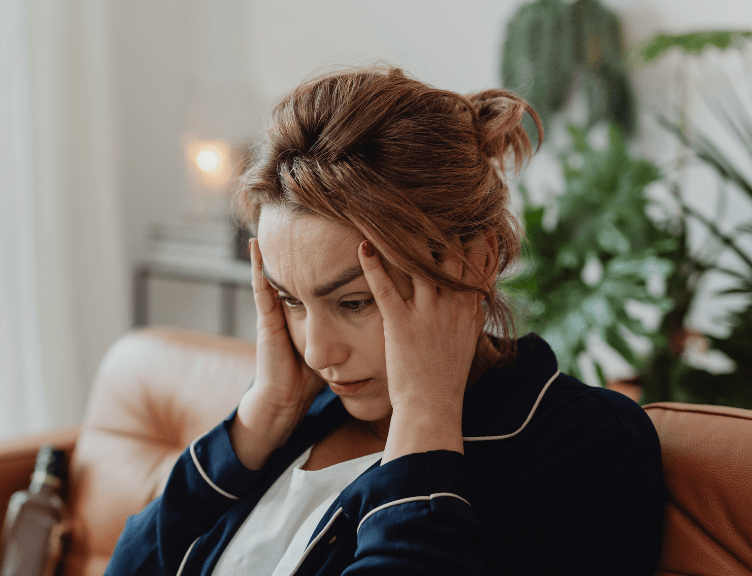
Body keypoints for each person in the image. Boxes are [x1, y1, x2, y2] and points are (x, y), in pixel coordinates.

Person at [105, 65, 666, 575]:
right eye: (292, 301)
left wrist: (427, 417)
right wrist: (261, 415)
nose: (319, 352)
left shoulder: (584, 446)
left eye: (354, 302)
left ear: (480, 259)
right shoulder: (299, 418)